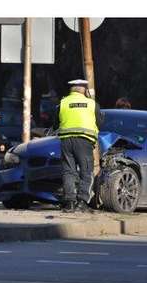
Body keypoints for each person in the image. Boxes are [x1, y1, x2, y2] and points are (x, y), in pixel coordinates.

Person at [53, 79, 100, 213]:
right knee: (86, 171)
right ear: (84, 90)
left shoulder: (63, 103)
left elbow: (55, 123)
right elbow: (100, 121)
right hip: (84, 141)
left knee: (68, 171)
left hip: (66, 141)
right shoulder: (91, 104)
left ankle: (70, 203)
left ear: (71, 90)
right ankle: (82, 202)